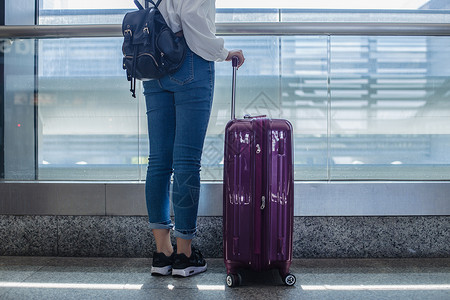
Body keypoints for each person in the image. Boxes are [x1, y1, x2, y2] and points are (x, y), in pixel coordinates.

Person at [142, 0, 245, 277]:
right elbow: (191, 15)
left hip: (152, 61)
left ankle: (162, 253)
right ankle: (184, 255)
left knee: (159, 161)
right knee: (186, 161)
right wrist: (222, 52)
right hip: (188, 61)